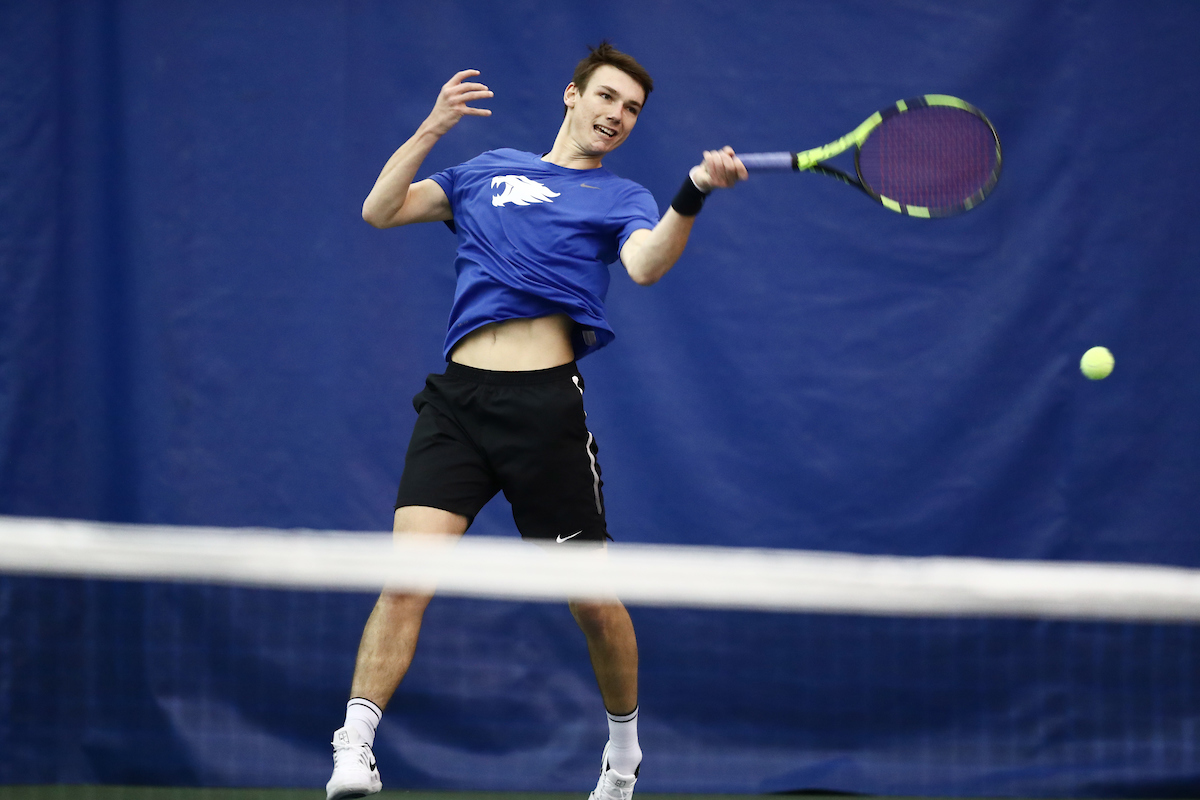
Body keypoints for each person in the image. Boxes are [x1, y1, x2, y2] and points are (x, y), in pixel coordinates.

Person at [326, 42, 746, 800]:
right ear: (572, 95)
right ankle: (354, 745)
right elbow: (379, 210)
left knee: (591, 599)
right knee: (406, 579)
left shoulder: (621, 198)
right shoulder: (485, 170)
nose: (618, 115)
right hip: (457, 403)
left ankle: (622, 757)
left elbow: (647, 265)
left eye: (632, 109)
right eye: (608, 97)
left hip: (544, 412)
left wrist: (692, 190)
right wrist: (430, 129)